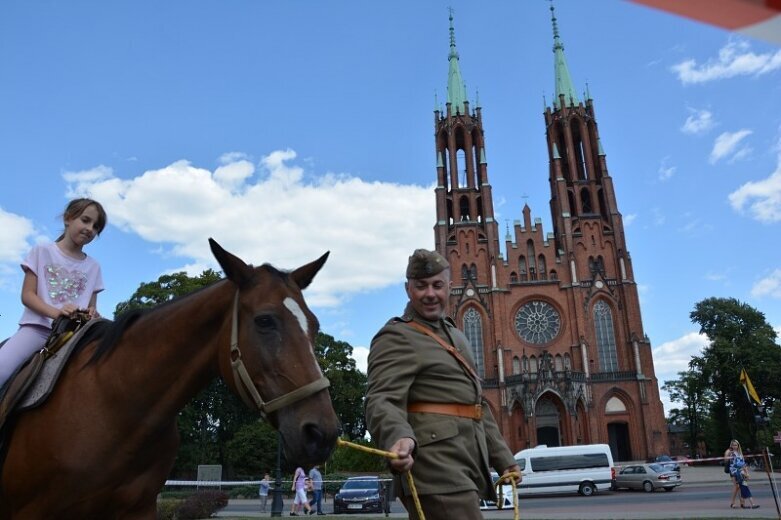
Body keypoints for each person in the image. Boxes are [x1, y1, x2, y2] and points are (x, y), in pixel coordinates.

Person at [365, 248, 521, 520]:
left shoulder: (456, 336)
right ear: (407, 289)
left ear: (450, 287)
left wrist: (504, 460)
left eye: (437, 285)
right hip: (433, 466)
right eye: (420, 286)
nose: (430, 294)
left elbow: (476, 406)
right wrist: (397, 436)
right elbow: (381, 399)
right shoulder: (397, 335)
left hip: (465, 463)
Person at [0, 198, 107, 390]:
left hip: (76, 337)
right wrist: (57, 313)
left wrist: (92, 314)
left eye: (96, 226)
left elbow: (92, 307)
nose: (90, 228)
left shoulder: (94, 267)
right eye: (85, 220)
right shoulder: (42, 251)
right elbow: (27, 295)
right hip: (37, 330)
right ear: (68, 218)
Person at [724, 439, 759, 509]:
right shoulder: (730, 452)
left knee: (740, 486)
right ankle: (732, 503)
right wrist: (729, 451)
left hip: (740, 471)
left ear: (738, 446)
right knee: (736, 486)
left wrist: (747, 473)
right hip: (733, 471)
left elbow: (743, 464)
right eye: (733, 445)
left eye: (736, 445)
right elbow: (726, 459)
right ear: (731, 445)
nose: (734, 446)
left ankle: (742, 504)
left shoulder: (740, 453)